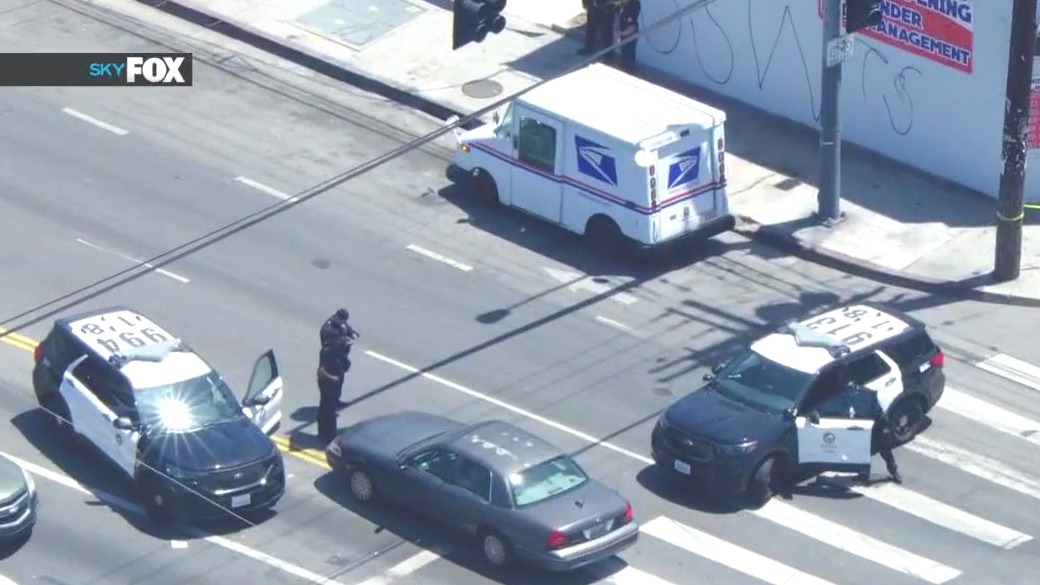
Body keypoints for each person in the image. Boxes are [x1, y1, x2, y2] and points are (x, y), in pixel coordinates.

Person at [844, 384, 902, 484]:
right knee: (863, 452)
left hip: (878, 426)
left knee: (885, 451)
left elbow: (878, 412)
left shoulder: (868, 394)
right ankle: (863, 474)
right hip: (865, 426)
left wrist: (885, 428)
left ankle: (894, 472)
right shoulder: (849, 396)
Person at [316, 335, 352, 443]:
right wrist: (332, 378)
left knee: (328, 407)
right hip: (327, 384)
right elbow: (321, 371)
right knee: (328, 410)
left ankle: (324, 433)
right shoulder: (328, 352)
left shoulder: (341, 354)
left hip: (335, 385)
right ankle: (329, 434)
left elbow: (346, 367)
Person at [616, 0, 642, 71]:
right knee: (623, 58)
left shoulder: (633, 6)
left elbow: (632, 27)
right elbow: (619, 16)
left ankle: (629, 69)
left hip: (630, 36)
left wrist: (620, 33)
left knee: (629, 60)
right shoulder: (623, 4)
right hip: (624, 34)